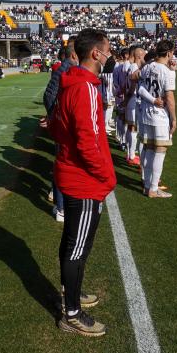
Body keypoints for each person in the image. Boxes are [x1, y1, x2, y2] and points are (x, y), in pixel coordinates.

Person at [50, 29, 116, 337]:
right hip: (84, 180)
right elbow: (87, 140)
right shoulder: (85, 88)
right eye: (107, 50)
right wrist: (106, 175)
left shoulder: (73, 82)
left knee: (71, 243)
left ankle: (71, 294)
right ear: (95, 54)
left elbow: (57, 126)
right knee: (78, 248)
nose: (110, 54)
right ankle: (72, 314)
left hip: (72, 174)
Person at [42, 38, 76, 223]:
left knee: (63, 164)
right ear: (74, 54)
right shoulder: (64, 70)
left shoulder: (66, 69)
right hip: (63, 126)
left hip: (62, 124)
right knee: (63, 165)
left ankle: (60, 204)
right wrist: (54, 118)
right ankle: (61, 207)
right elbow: (49, 96)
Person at [137, 40, 177, 197]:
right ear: (168, 53)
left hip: (146, 114)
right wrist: (174, 119)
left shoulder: (147, 67)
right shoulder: (165, 71)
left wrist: (152, 100)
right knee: (160, 151)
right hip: (159, 117)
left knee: (148, 149)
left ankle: (147, 185)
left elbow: (140, 88)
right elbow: (169, 97)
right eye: (172, 52)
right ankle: (153, 188)